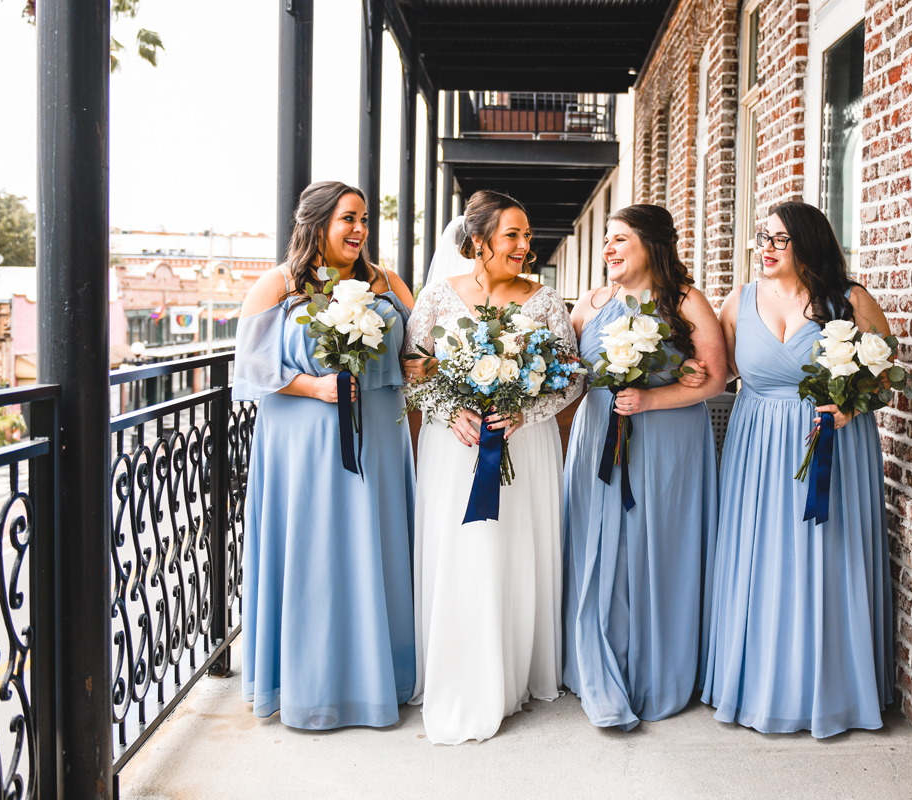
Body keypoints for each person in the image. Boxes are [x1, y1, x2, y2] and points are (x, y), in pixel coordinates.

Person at [702, 200, 893, 737]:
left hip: (831, 443)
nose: (765, 248)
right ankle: (759, 684)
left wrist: (852, 406)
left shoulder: (851, 301)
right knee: (761, 555)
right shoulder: (738, 302)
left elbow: (884, 376)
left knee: (825, 555)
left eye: (779, 239)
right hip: (756, 447)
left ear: (808, 243)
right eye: (762, 237)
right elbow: (725, 371)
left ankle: (830, 689)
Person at [233, 181, 417, 730]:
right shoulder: (279, 284)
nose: (359, 229)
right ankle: (309, 687)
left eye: (364, 219)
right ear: (316, 225)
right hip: (302, 441)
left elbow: (420, 348)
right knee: (312, 554)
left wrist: (421, 365)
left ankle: (380, 679)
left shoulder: (387, 283)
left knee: (374, 547)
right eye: (348, 219)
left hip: (377, 436)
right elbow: (250, 367)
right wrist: (314, 387)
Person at [401, 190, 583, 745]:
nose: (525, 245)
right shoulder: (438, 295)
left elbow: (572, 375)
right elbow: (413, 368)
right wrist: (448, 410)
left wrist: (527, 413)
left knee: (513, 548)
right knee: (463, 549)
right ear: (479, 241)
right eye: (513, 235)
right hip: (454, 447)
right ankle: (460, 669)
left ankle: (512, 670)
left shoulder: (544, 300)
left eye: (528, 235)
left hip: (523, 446)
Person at [562, 204, 726, 730]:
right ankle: (598, 661)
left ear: (651, 244)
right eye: (606, 240)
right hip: (597, 437)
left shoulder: (686, 301)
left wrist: (654, 397)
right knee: (599, 548)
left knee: (657, 546)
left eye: (619, 239)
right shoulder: (589, 304)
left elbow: (717, 378)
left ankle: (658, 669)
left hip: (668, 443)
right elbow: (566, 377)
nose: (608, 249)